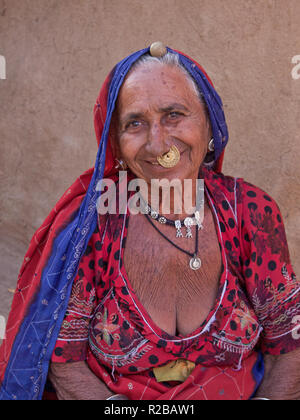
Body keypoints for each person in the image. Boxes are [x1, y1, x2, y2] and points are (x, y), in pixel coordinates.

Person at [1, 43, 300, 401]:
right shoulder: (92, 223)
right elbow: (65, 362)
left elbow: (289, 343)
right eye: (135, 123)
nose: (158, 145)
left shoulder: (250, 212)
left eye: (174, 114)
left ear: (210, 129)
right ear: (115, 143)